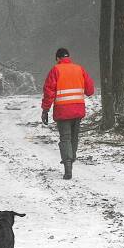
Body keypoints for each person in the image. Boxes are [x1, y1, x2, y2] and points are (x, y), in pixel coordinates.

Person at [41, 48, 95, 180]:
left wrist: (45, 110)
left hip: (63, 110)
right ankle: (71, 158)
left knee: (65, 138)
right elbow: (90, 90)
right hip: (78, 110)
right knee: (74, 137)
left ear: (58, 58)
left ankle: (68, 166)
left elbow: (49, 92)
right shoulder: (79, 69)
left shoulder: (55, 70)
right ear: (68, 57)